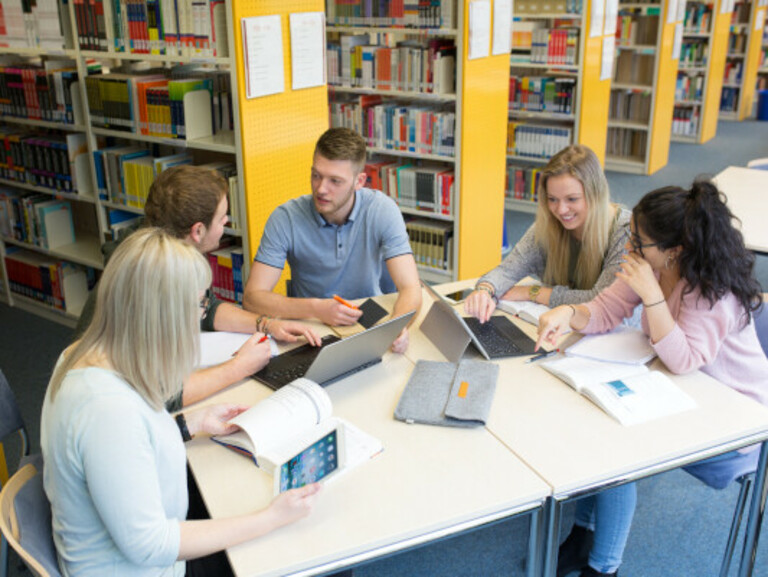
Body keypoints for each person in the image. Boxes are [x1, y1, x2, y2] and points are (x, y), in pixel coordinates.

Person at [41, 228, 322, 577]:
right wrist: (270, 518)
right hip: (148, 568)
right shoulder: (107, 411)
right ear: (163, 314)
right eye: (199, 303)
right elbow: (152, 545)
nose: (201, 314)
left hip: (139, 547)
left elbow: (124, 452)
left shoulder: (85, 355)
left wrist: (191, 424)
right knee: (309, 552)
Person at [536, 180, 768, 577]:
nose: (629, 249)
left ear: (673, 250)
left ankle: (603, 567)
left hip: (734, 424)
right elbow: (605, 310)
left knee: (619, 452)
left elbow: (685, 359)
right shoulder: (651, 265)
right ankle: (583, 533)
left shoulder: (709, 289)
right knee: (597, 425)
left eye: (638, 242)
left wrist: (652, 296)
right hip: (678, 391)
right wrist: (568, 315)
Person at [75, 165, 321, 410]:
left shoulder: (168, 256)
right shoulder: (145, 286)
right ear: (197, 230)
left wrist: (267, 324)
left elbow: (208, 309)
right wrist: (239, 367)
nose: (226, 223)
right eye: (222, 218)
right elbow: (160, 392)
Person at [243, 127, 422, 353]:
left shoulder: (382, 209)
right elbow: (252, 298)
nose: (321, 189)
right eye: (316, 175)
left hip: (369, 325)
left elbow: (411, 288)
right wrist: (318, 309)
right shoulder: (285, 218)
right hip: (311, 331)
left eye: (335, 181)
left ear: (359, 181)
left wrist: (396, 327)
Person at [464, 145, 631, 323]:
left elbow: (603, 301)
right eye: (552, 199)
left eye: (572, 199)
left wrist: (533, 292)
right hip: (567, 328)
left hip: (616, 335)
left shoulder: (625, 231)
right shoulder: (549, 225)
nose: (561, 210)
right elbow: (507, 270)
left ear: (595, 194)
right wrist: (485, 290)